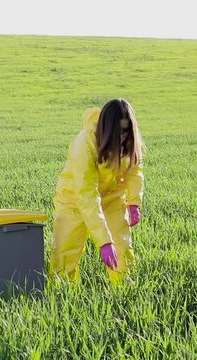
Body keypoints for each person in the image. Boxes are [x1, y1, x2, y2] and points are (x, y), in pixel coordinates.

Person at [50, 98, 145, 286]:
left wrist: (134, 201)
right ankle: (62, 297)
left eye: (126, 131)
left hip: (112, 199)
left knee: (122, 248)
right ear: (108, 129)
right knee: (65, 253)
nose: (123, 136)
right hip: (74, 200)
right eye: (119, 131)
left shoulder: (129, 141)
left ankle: (125, 293)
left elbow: (135, 169)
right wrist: (103, 242)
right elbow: (87, 196)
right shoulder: (84, 144)